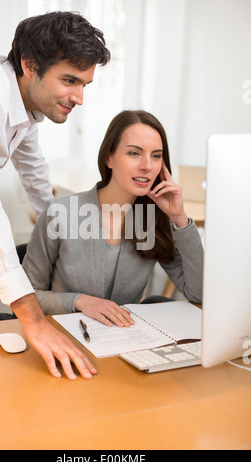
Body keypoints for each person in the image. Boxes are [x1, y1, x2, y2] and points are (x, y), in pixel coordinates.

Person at [0, 11, 110, 380]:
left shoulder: (26, 105)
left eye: (85, 84)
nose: (79, 98)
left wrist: (58, 228)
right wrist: (33, 319)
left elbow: (33, 166)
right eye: (70, 80)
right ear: (29, 64)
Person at [22, 110, 204, 328]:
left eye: (156, 155)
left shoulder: (152, 221)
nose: (147, 165)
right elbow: (26, 296)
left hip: (124, 342)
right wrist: (79, 301)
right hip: (66, 336)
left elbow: (199, 294)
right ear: (109, 157)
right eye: (134, 153)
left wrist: (179, 218)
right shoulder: (60, 213)